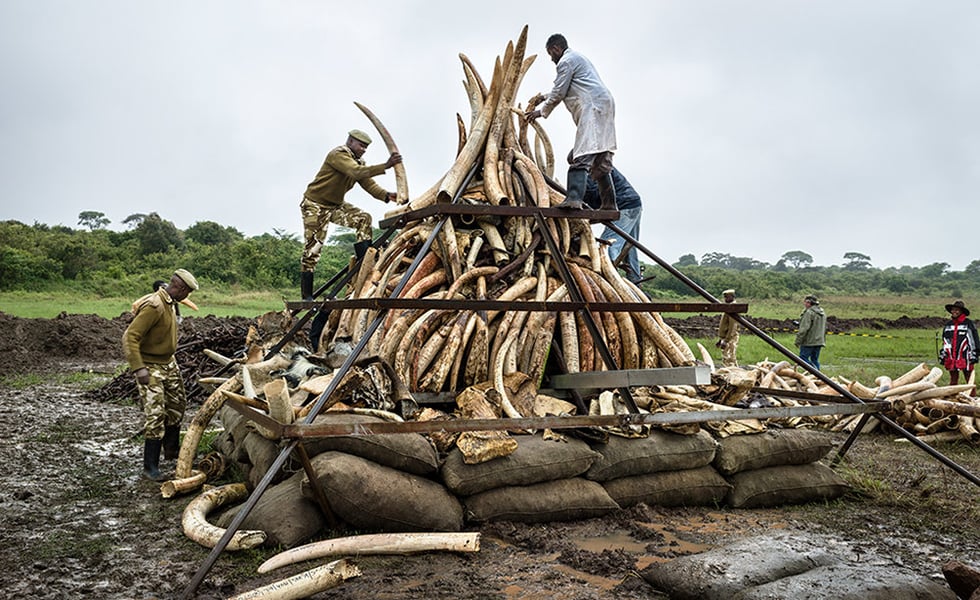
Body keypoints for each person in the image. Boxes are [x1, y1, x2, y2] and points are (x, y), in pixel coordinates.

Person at [299, 129, 403, 300]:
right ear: (350, 141)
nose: (363, 149)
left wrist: (386, 195)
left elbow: (368, 184)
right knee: (313, 249)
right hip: (315, 205)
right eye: (361, 146)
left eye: (366, 148)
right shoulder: (338, 155)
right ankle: (306, 295)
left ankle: (365, 262)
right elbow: (355, 172)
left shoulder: (359, 162)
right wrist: (385, 166)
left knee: (363, 218)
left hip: (335, 206)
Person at [526, 33, 617, 212]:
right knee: (599, 157)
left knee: (582, 153)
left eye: (551, 54)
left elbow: (560, 91)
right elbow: (566, 87)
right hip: (602, 105)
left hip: (593, 109)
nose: (552, 58)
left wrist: (541, 112)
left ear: (555, 49)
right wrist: (544, 97)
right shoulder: (576, 58)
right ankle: (609, 204)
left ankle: (574, 198)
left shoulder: (565, 61)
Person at [123, 268, 199, 481]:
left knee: (177, 405)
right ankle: (150, 467)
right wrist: (139, 368)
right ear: (180, 288)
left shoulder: (172, 303)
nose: (187, 297)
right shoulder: (154, 306)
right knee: (155, 415)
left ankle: (172, 451)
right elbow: (130, 337)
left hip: (168, 363)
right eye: (188, 292)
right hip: (150, 364)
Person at [582, 167, 643, 283]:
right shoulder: (596, 164)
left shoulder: (591, 169)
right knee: (629, 246)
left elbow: (592, 194)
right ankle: (635, 280)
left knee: (607, 246)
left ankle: (607, 280)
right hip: (633, 204)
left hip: (623, 207)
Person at [939, 300, 978, 392]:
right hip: (952, 355)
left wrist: (974, 354)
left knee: (969, 378)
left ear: (961, 312)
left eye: (957, 310)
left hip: (966, 356)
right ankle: (952, 397)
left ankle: (973, 399)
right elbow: (945, 341)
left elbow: (974, 340)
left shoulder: (968, 324)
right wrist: (943, 354)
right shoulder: (948, 325)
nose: (954, 312)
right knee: (953, 379)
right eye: (953, 310)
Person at [795, 294, 827, 370]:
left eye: (805, 302)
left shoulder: (809, 313)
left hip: (809, 341)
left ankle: (814, 371)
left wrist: (798, 341)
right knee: (814, 359)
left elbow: (804, 329)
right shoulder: (822, 313)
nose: (804, 304)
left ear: (809, 303)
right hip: (819, 341)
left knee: (802, 358)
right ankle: (819, 377)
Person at [716, 289, 739, 367]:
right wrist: (720, 339)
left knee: (730, 359)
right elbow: (724, 325)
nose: (725, 299)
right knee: (726, 359)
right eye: (725, 297)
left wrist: (726, 340)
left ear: (732, 296)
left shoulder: (732, 308)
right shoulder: (728, 307)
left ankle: (734, 374)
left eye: (727, 297)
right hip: (725, 337)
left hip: (730, 338)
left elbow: (732, 327)